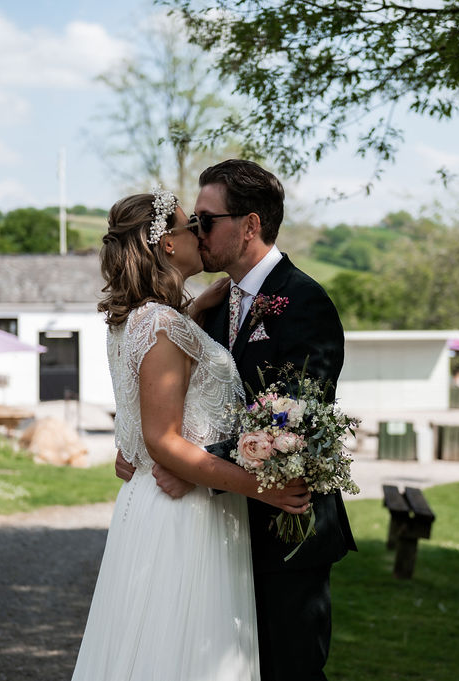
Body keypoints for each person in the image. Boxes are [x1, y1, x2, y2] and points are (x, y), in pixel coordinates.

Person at [118, 160, 357, 681]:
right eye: (194, 222)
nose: (197, 232)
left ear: (249, 225)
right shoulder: (214, 304)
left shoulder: (304, 302)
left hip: (284, 530)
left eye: (207, 220)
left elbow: (294, 422)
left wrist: (190, 463)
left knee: (285, 670)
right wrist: (146, 443)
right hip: (218, 530)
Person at [71, 190, 311, 681]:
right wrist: (262, 488)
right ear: (166, 245)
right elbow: (163, 441)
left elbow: (152, 409)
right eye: (190, 225)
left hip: (164, 501)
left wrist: (197, 309)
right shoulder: (160, 324)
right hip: (184, 513)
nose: (200, 233)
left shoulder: (146, 319)